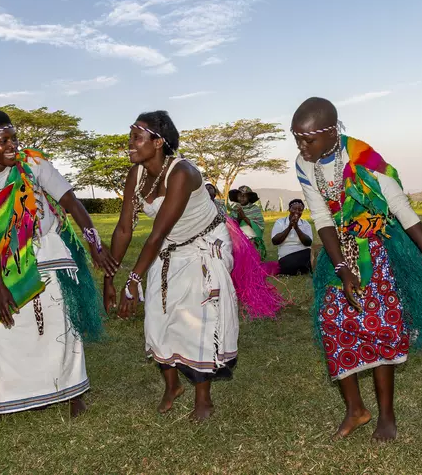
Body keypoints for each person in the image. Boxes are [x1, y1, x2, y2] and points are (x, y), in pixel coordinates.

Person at [291, 97, 422, 442]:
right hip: (338, 252)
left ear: (332, 132)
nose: (301, 146)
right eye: (296, 138)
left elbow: (402, 210)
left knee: (381, 326)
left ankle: (386, 415)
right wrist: (342, 269)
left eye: (308, 138)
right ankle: (356, 410)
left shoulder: (366, 160)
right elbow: (323, 217)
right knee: (332, 322)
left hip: (377, 250)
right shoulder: (305, 163)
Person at [0, 109, 118, 421]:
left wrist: (94, 243)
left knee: (62, 323)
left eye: (13, 138)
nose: (11, 145)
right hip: (8, 263)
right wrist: (0, 287)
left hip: (50, 253)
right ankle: (10, 396)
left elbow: (71, 202)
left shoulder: (32, 163)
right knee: (5, 331)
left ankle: (73, 393)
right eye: (3, 140)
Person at [104, 111, 243, 422]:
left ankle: (204, 399)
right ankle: (172, 386)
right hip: (170, 245)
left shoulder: (182, 173)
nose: (130, 145)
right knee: (159, 312)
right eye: (130, 138)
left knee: (198, 314)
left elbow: (156, 234)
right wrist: (110, 278)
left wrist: (133, 280)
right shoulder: (136, 174)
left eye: (136, 138)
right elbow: (124, 228)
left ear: (157, 142)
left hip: (206, 243)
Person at [271, 199, 314, 275]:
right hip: (286, 257)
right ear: (289, 209)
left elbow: (308, 243)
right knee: (307, 257)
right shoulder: (280, 222)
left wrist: (296, 228)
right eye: (294, 209)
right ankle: (305, 268)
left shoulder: (305, 224)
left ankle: (303, 269)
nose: (297, 212)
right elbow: (275, 241)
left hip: (304, 254)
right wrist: (289, 227)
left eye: (300, 210)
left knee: (316, 252)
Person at [229, 186, 267, 260]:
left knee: (252, 260)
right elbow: (232, 227)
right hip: (239, 242)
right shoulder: (234, 210)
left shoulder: (255, 209)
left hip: (252, 240)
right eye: (240, 196)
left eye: (244, 196)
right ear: (237, 197)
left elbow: (259, 226)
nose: (242, 198)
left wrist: (244, 217)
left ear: (249, 197)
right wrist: (239, 218)